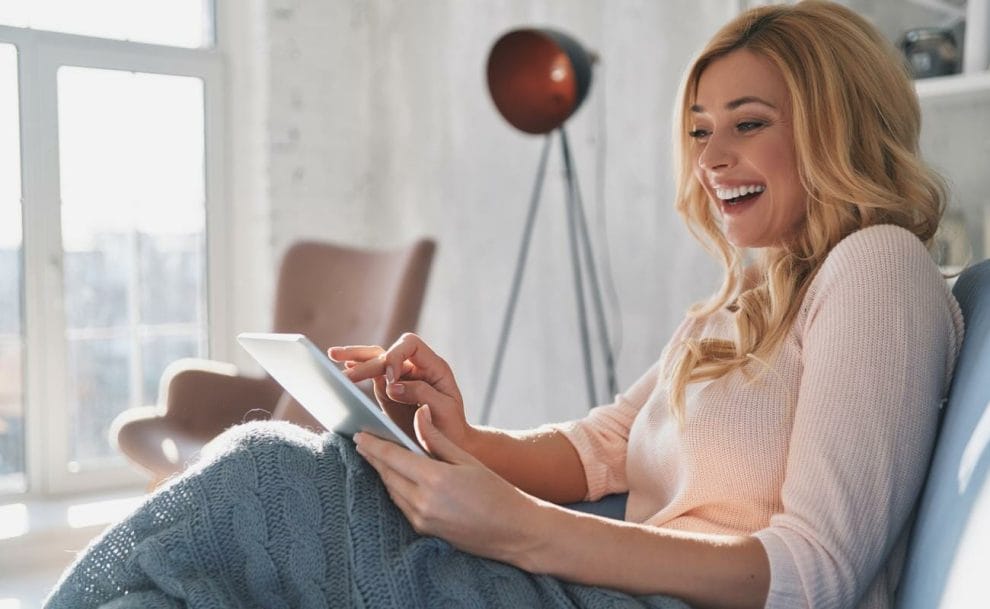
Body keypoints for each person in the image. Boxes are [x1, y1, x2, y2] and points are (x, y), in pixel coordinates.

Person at [45, 2, 963, 609]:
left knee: (263, 474)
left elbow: (817, 571)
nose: (713, 157)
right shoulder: (735, 302)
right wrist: (458, 435)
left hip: (626, 595)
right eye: (699, 131)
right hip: (597, 579)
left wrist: (522, 529)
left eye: (749, 123)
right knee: (212, 563)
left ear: (838, 124)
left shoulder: (876, 269)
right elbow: (600, 445)